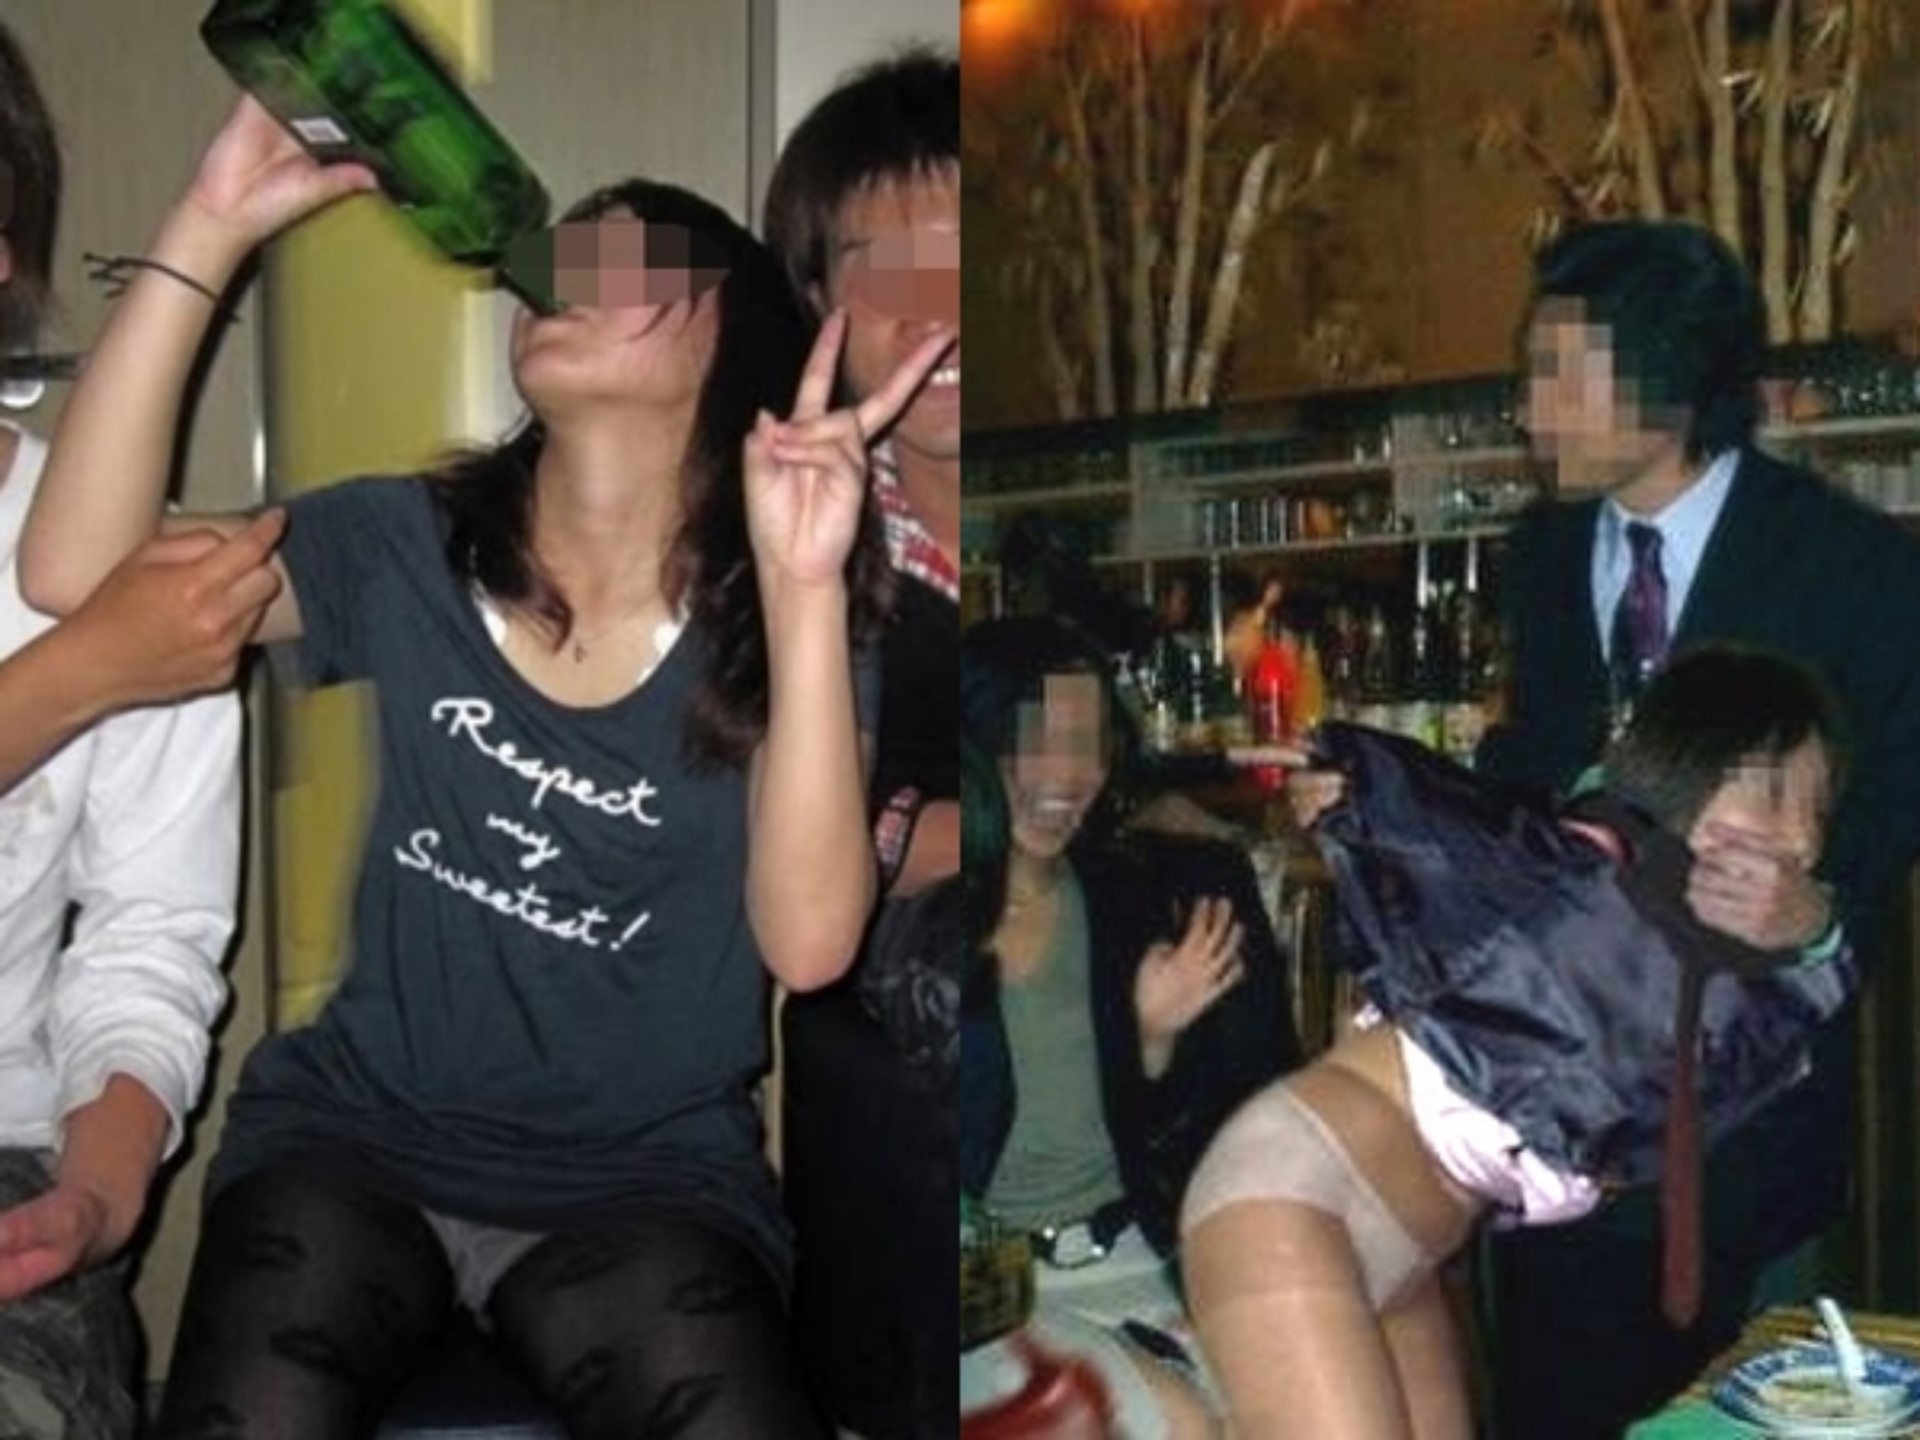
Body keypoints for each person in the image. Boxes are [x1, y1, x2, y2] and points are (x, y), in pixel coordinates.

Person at [21, 93, 952, 1439]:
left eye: (632, 260)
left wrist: (804, 588)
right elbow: (76, 577)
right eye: (566, 256)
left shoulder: (788, 620)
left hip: (644, 1181)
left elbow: (810, 946)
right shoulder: (406, 543)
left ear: (734, 340)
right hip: (354, 1144)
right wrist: (211, 226)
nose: (568, 276)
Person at [1476, 218, 1920, 1436]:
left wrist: (1821, 907)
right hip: (1566, 1109)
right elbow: (1538, 765)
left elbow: (1898, 786)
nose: (1527, 406)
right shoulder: (1543, 552)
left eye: (1556, 372)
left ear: (1665, 382)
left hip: (1751, 1105)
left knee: (1748, 1406)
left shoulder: (1844, 561)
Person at [1181, 645, 1854, 1438]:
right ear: (1687, 769)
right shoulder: (1581, 866)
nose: (1796, 836)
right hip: (1291, 1199)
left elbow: (1789, 1022)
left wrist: (1814, 927)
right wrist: (1356, 775)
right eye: (1771, 796)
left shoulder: (1706, 948)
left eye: (1817, 811)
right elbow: (1465, 826)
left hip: (1409, 1246)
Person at [0, 24, 282, 1440]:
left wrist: (94, 1195)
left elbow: (148, 941)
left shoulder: (128, 566)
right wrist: (77, 675)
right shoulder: (115, 626)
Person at [761, 47, 963, 1436]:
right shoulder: (791, 535)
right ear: (822, 300)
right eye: (884, 266)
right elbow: (804, 904)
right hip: (893, 1049)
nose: (932, 307)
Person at [960, 614, 1299, 1439]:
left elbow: (1188, 1132)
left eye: (1087, 745)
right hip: (980, 1290)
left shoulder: (1125, 899)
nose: (1067, 774)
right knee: (1179, 1423)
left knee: (1290, 1400)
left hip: (1128, 1254)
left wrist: (1152, 1038)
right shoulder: (924, 918)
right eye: (1036, 742)